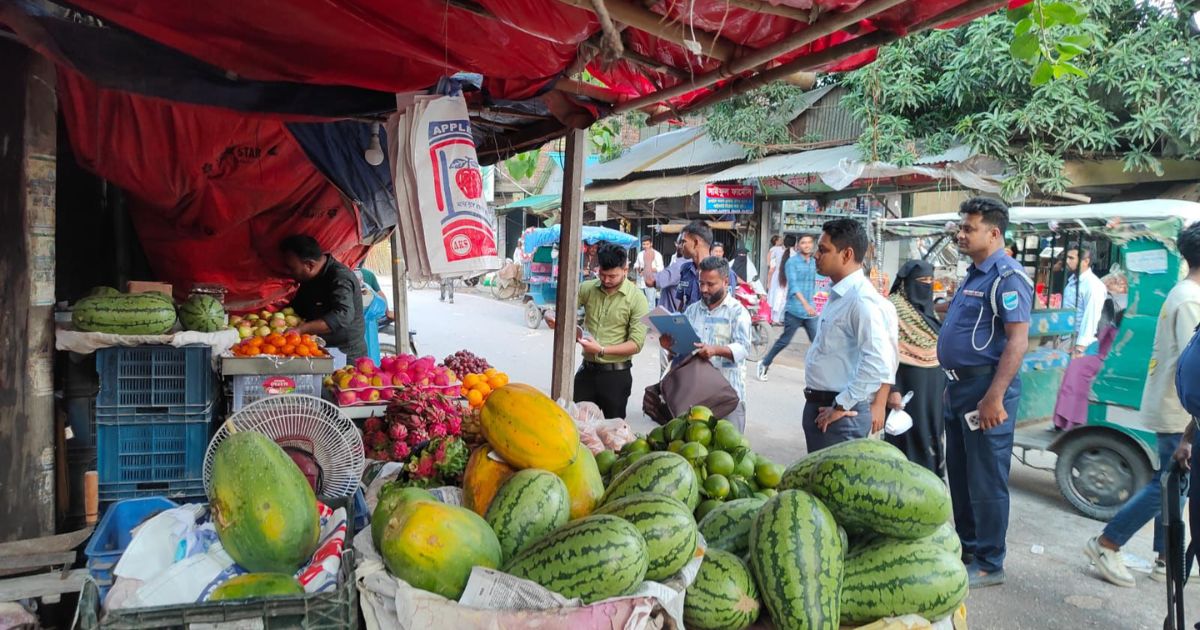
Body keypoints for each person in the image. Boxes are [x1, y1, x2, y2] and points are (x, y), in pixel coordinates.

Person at [1084, 222, 1200, 587]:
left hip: (1176, 408)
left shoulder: (1185, 292)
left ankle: (1168, 558)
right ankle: (1107, 543)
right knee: (1168, 486)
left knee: (1175, 486)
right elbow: (1194, 364)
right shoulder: (1191, 299)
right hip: (1179, 411)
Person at [937, 197, 1033, 589]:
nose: (961, 234)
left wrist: (994, 397)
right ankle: (968, 549)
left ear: (993, 233)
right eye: (961, 227)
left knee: (986, 480)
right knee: (959, 474)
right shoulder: (975, 273)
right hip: (958, 388)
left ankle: (991, 562)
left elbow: (1017, 342)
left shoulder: (1007, 277)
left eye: (968, 228)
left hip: (985, 390)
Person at [801, 219, 898, 452]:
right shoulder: (839, 295)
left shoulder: (861, 301)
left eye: (823, 250)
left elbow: (878, 362)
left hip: (839, 415)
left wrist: (842, 404)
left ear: (846, 254)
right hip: (822, 407)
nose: (816, 255)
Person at [547, 243, 649, 419]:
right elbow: (564, 310)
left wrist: (602, 350)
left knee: (613, 434)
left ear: (625, 269)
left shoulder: (637, 299)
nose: (606, 280)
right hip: (586, 373)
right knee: (576, 425)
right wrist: (552, 316)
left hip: (616, 376)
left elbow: (636, 344)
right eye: (602, 274)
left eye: (612, 276)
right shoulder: (587, 288)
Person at [660, 256, 752, 430]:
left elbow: (744, 348)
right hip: (694, 397)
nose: (704, 289)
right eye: (701, 283)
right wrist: (670, 346)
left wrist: (715, 350)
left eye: (710, 284)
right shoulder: (692, 310)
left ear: (725, 282)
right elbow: (682, 351)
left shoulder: (738, 312)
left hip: (728, 397)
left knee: (728, 452)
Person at [884, 260, 948, 476]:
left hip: (932, 385)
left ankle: (931, 482)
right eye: (922, 281)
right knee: (907, 435)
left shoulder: (927, 311)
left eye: (930, 281)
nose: (927, 285)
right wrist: (892, 389)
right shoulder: (892, 308)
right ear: (907, 283)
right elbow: (884, 353)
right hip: (905, 386)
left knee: (931, 433)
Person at [280, 235, 367, 364]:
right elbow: (297, 309)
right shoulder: (308, 279)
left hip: (346, 356)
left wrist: (301, 329)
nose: (289, 272)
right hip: (317, 350)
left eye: (292, 268)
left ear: (309, 265)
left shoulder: (340, 277)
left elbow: (343, 315)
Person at [758, 234, 822, 382]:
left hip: (810, 312)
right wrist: (805, 304)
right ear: (797, 246)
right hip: (794, 310)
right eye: (803, 242)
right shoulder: (791, 263)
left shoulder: (814, 262)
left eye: (809, 242)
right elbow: (793, 286)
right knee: (784, 341)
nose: (806, 245)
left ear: (813, 245)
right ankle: (764, 363)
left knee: (818, 342)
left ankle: (817, 375)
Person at [1063, 245, 1108, 356]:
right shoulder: (1073, 280)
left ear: (1086, 261)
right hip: (1066, 338)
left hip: (1078, 342)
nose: (1067, 261)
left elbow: (1091, 317)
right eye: (1067, 257)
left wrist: (1080, 348)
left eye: (1071, 258)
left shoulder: (1093, 285)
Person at [633, 236, 664, 308]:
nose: (645, 246)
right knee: (640, 303)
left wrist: (648, 269)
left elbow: (661, 268)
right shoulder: (640, 254)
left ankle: (649, 319)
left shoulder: (657, 254)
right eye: (644, 244)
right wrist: (639, 269)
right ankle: (641, 319)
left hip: (650, 283)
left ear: (651, 244)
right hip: (640, 283)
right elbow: (636, 264)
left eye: (647, 244)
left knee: (650, 304)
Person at [767, 235, 786, 323]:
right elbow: (771, 266)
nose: (782, 240)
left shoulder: (776, 249)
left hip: (777, 275)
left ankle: (773, 317)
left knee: (775, 295)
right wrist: (769, 281)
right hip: (777, 275)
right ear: (776, 241)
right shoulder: (775, 250)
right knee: (778, 296)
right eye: (780, 239)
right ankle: (775, 318)